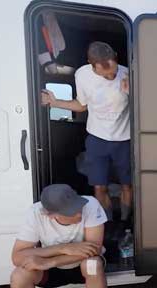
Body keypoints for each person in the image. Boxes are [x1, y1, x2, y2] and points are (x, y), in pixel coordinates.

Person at [41, 41, 131, 222]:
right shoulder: (82, 75)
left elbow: (144, 106)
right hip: (97, 139)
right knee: (99, 187)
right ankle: (108, 223)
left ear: (115, 58)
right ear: (92, 66)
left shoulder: (128, 73)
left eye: (112, 71)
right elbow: (81, 106)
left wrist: (132, 93)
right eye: (104, 74)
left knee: (128, 185)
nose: (110, 76)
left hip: (125, 138)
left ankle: (125, 222)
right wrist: (54, 102)